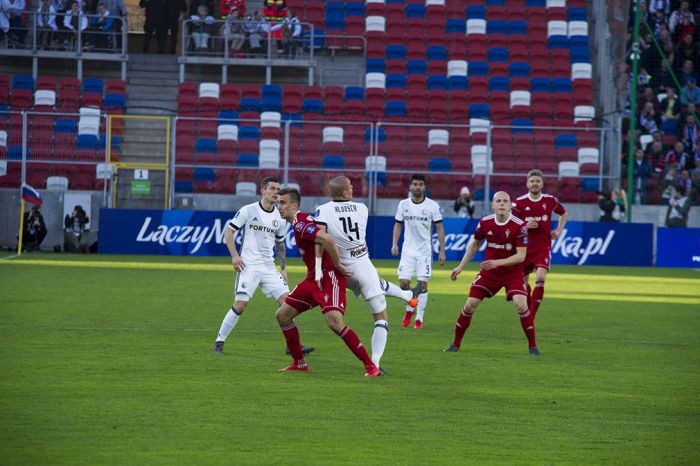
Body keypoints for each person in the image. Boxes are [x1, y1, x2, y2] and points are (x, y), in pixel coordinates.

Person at [314, 176, 420, 369]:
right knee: (381, 317)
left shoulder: (322, 210)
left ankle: (407, 295)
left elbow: (320, 238)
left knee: (377, 283)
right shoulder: (362, 208)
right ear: (346, 193)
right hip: (362, 264)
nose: (353, 188)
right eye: (350, 187)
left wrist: (318, 266)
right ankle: (375, 363)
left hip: (341, 271)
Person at [274, 188, 381, 377]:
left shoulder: (300, 223)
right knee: (283, 315)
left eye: (282, 203)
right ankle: (299, 364)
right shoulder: (299, 223)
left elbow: (327, 238)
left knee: (334, 322)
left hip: (329, 277)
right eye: (277, 203)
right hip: (313, 279)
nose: (278, 207)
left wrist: (338, 264)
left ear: (294, 205)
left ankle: (371, 366)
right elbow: (320, 240)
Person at [212, 177, 312, 355]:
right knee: (240, 305)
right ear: (263, 191)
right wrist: (235, 256)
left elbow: (280, 244)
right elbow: (229, 231)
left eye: (278, 189)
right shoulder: (248, 210)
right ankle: (219, 341)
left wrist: (283, 269)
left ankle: (292, 346)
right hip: (248, 266)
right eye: (272, 188)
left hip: (268, 268)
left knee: (287, 303)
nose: (276, 192)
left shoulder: (280, 217)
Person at [443, 191, 539, 356]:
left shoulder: (519, 225)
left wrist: (497, 262)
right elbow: (474, 245)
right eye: (498, 201)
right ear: (493, 205)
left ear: (510, 205)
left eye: (505, 201)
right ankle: (455, 344)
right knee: (470, 304)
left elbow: (521, 256)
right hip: (490, 273)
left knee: (521, 304)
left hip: (513, 272)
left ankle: (533, 346)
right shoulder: (485, 222)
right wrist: (460, 267)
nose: (502, 204)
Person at [391, 174, 446, 329]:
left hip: (424, 252)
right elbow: (398, 225)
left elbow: (439, 228)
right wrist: (394, 244)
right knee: (403, 284)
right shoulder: (403, 204)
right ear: (410, 186)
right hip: (407, 251)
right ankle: (409, 309)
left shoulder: (432, 206)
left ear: (424, 187)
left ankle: (419, 318)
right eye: (415, 184)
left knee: (422, 285)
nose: (417, 187)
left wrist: (442, 251)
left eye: (420, 184)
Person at [511, 169, 567, 321]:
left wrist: (559, 230)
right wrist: (525, 225)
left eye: (537, 181)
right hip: (524, 249)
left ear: (542, 184)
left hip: (543, 247)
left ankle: (532, 317)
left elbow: (563, 213)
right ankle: (528, 310)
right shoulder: (519, 202)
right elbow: (511, 224)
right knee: (524, 284)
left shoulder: (550, 200)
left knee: (541, 277)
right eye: (532, 181)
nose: (535, 184)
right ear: (527, 184)